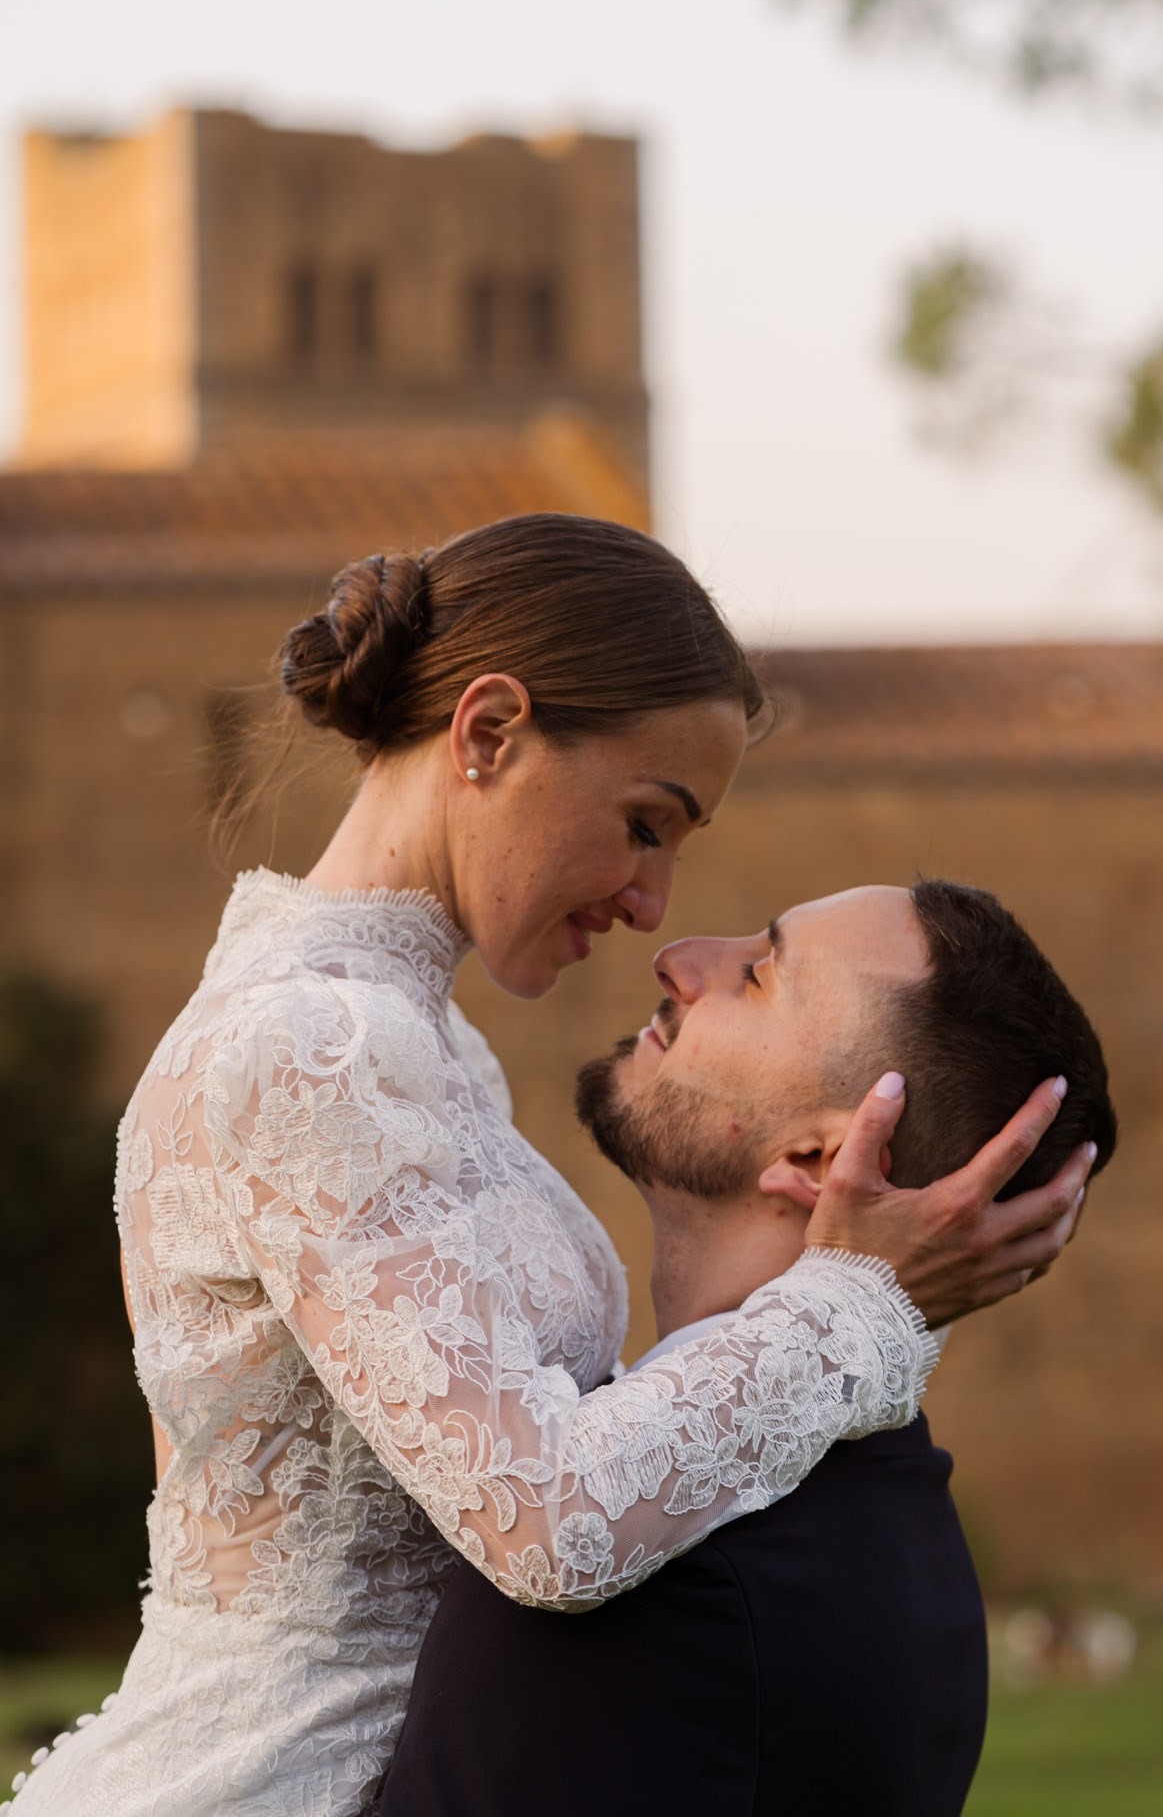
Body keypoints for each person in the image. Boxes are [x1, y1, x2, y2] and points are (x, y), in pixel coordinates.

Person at [7, 518, 1088, 1817]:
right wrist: (861, 1299)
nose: (652, 902)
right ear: (488, 733)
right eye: (644, 823)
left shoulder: (418, 1042)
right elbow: (552, 1524)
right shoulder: (310, 1047)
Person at [381, 879, 1114, 1816]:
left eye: (760, 973)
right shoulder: (890, 1527)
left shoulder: (657, 1565)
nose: (680, 959)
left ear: (821, 1158)